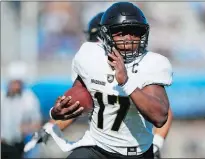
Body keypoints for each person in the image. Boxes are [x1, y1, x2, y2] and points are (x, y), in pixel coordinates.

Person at [50, 2, 173, 159]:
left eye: (134, 32)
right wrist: (57, 112)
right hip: (97, 147)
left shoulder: (152, 63)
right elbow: (79, 97)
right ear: (106, 35)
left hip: (136, 152)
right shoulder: (90, 55)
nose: (128, 39)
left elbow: (160, 116)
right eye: (121, 33)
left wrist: (127, 83)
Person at [23, 12, 105, 154]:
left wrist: (156, 140)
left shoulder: (140, 69)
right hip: (102, 141)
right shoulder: (93, 69)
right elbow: (76, 106)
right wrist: (49, 128)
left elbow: (155, 110)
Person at [1, 61, 42, 159]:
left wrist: (26, 128)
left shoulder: (29, 99)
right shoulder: (2, 97)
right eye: (13, 82)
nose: (15, 86)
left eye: (18, 82)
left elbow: (37, 123)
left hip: (17, 145)